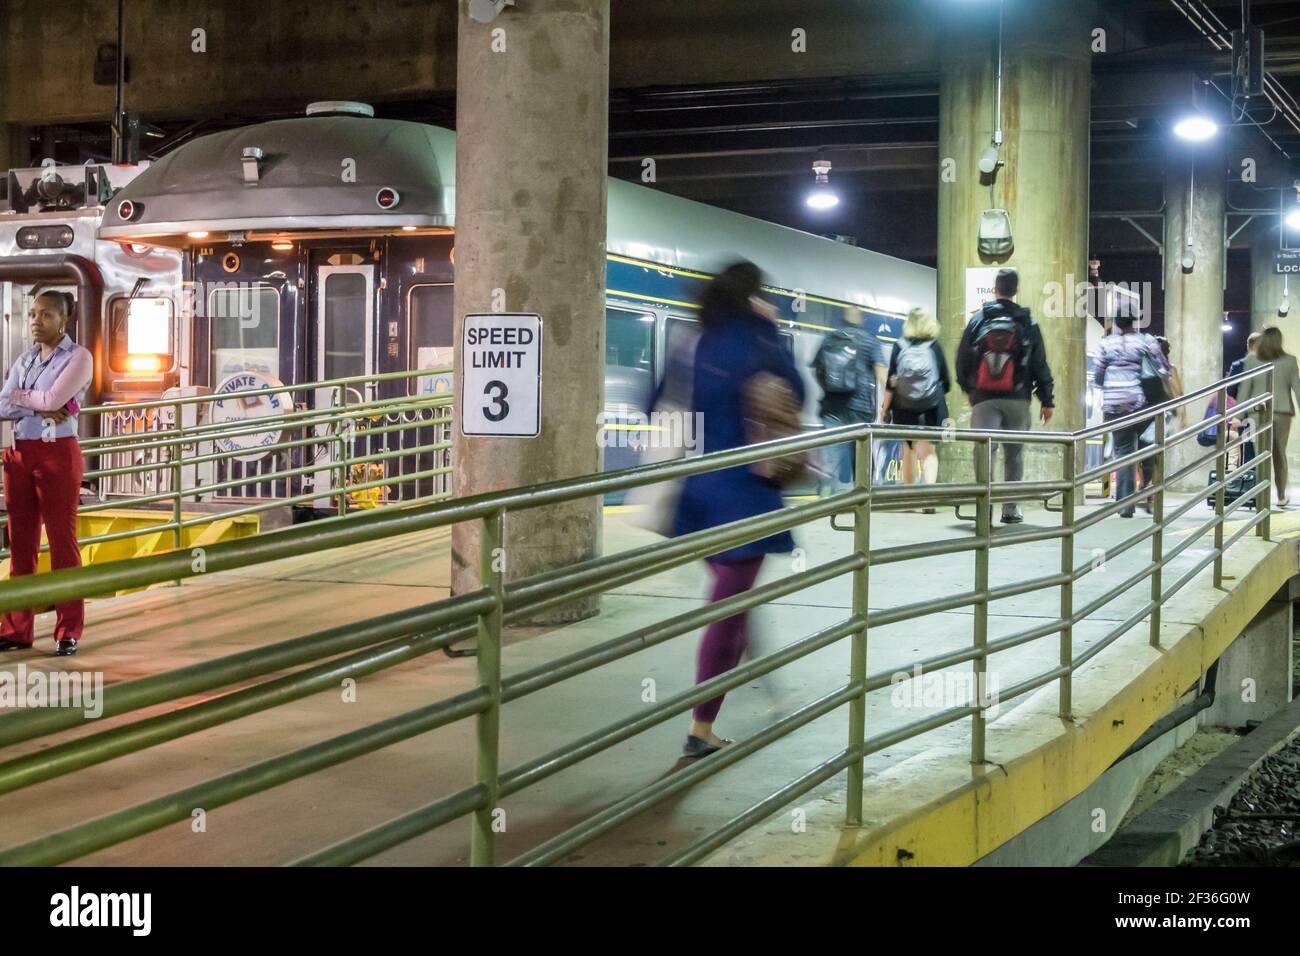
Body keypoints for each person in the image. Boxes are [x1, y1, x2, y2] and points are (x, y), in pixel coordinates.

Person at [663, 261, 805, 758]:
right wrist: (768, 324)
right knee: (727, 613)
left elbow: (654, 400)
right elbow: (796, 391)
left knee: (731, 602)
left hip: (697, 494)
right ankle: (700, 729)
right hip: (747, 494)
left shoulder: (694, 339)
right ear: (753, 296)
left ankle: (742, 665)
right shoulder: (757, 340)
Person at [0, 291, 92, 656]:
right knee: (20, 545)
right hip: (19, 455)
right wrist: (39, 403)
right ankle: (15, 629)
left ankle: (68, 630)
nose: (37, 321)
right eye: (34, 314)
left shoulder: (79, 358)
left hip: (58, 456)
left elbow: (54, 400)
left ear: (64, 320)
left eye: (47, 315)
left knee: (62, 543)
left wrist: (29, 400)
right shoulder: (24, 359)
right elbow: (3, 404)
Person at [955, 268, 1055, 523]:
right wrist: (1047, 399)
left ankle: (983, 508)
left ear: (995, 289)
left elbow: (962, 357)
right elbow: (1039, 363)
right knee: (1014, 454)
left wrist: (969, 389)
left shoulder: (979, 319)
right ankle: (1010, 510)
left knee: (985, 452)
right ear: (1016, 290)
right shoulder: (1027, 322)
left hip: (984, 398)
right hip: (1018, 398)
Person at [1093, 313, 1169, 518]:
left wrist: (1108, 382)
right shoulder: (1144, 341)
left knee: (1124, 451)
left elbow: (1098, 375)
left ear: (1116, 324)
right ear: (1134, 322)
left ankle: (1126, 505)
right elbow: (1163, 368)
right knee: (1148, 445)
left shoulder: (1106, 344)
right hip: (1139, 403)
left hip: (1115, 404)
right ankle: (1147, 486)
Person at [880, 308, 950, 510]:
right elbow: (945, 382)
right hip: (931, 409)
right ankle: (928, 500)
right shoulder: (934, 347)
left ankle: (909, 500)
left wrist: (885, 410)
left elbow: (891, 383)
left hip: (904, 407)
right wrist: (933, 398)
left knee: (908, 451)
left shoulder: (899, 346)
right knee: (929, 453)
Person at [811, 309, 885, 494]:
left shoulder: (830, 339)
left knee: (831, 452)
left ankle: (827, 494)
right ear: (861, 320)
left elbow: (817, 371)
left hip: (831, 406)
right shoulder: (869, 340)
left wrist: (828, 387)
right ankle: (864, 496)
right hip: (860, 407)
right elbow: (881, 372)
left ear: (842, 319)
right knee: (861, 453)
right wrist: (888, 400)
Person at [1237, 325, 1300, 508]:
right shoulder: (1290, 361)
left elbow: (1244, 389)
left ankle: (1261, 497)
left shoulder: (1251, 360)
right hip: (1282, 413)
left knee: (1261, 455)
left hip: (1258, 413)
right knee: (1279, 454)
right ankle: (1281, 495)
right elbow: (1297, 389)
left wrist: (1238, 416)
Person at [1227, 331, 1261, 400]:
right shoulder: (1269, 365)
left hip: (1242, 406)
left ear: (1248, 346)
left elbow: (1229, 390)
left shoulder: (1238, 365)